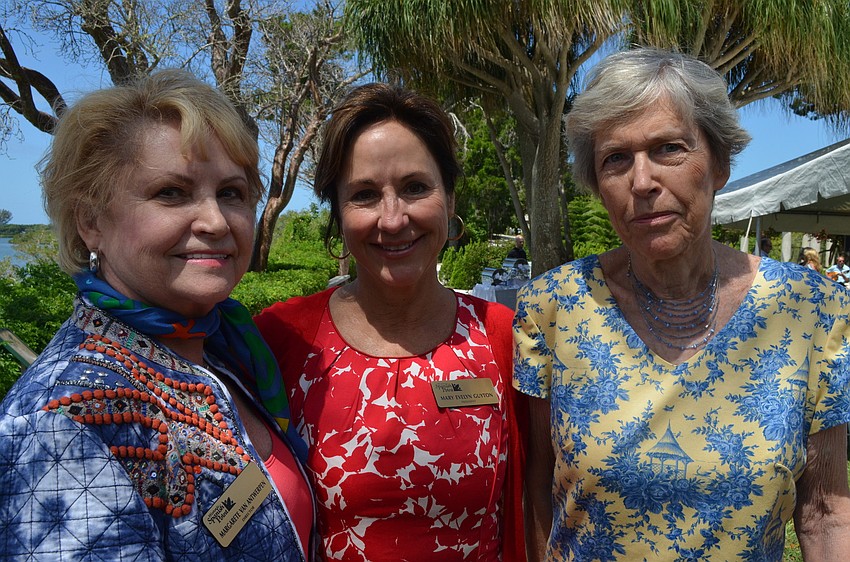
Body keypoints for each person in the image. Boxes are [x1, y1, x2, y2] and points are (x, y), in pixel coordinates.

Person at [514, 48, 850, 561]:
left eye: (669, 148)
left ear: (719, 164)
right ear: (597, 184)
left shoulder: (810, 307)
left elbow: (826, 512)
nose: (642, 182)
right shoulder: (554, 307)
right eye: (616, 159)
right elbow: (536, 491)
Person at [0, 70, 314, 560]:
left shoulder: (222, 351)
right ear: (90, 222)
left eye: (231, 193)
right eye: (171, 192)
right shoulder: (64, 419)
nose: (215, 221)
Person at [255, 83, 526, 562]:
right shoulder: (282, 338)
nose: (394, 218)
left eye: (415, 187)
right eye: (364, 194)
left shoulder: (500, 334)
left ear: (449, 198)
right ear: (337, 214)